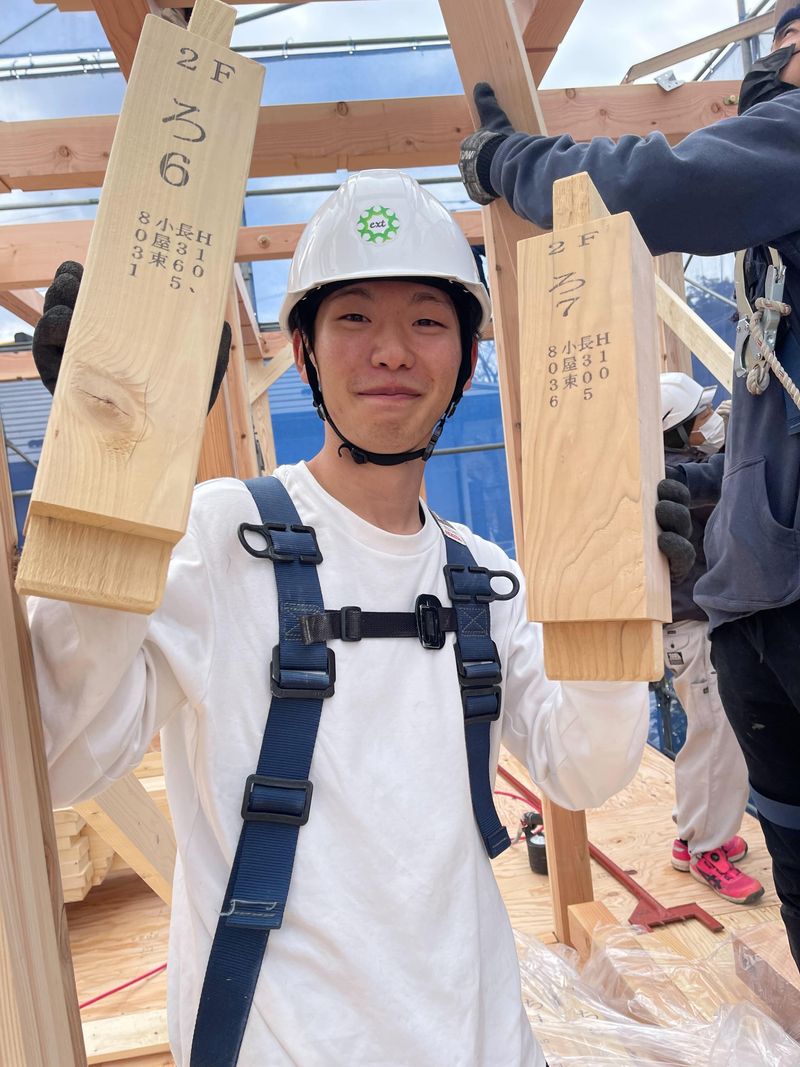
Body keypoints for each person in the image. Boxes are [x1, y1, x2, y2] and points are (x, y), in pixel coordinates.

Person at [27, 168, 688, 1067]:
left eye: (427, 321)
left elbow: (587, 767)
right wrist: (106, 478)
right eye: (353, 317)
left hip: (483, 1041)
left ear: (465, 358)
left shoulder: (485, 578)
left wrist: (623, 602)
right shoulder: (221, 538)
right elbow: (58, 756)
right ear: (304, 352)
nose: (390, 351)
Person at [458, 8, 800, 967]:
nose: (778, 64)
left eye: (792, 47)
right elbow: (766, 435)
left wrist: (512, 162)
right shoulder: (777, 247)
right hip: (759, 610)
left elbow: (649, 189)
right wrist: (718, 513)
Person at [659, 372, 763, 905]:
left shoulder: (674, 466)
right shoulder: (677, 481)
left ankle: (691, 834)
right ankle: (707, 849)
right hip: (693, 629)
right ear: (676, 432)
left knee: (706, 734)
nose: (710, 423)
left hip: (693, 627)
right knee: (718, 737)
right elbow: (723, 480)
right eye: (700, 419)